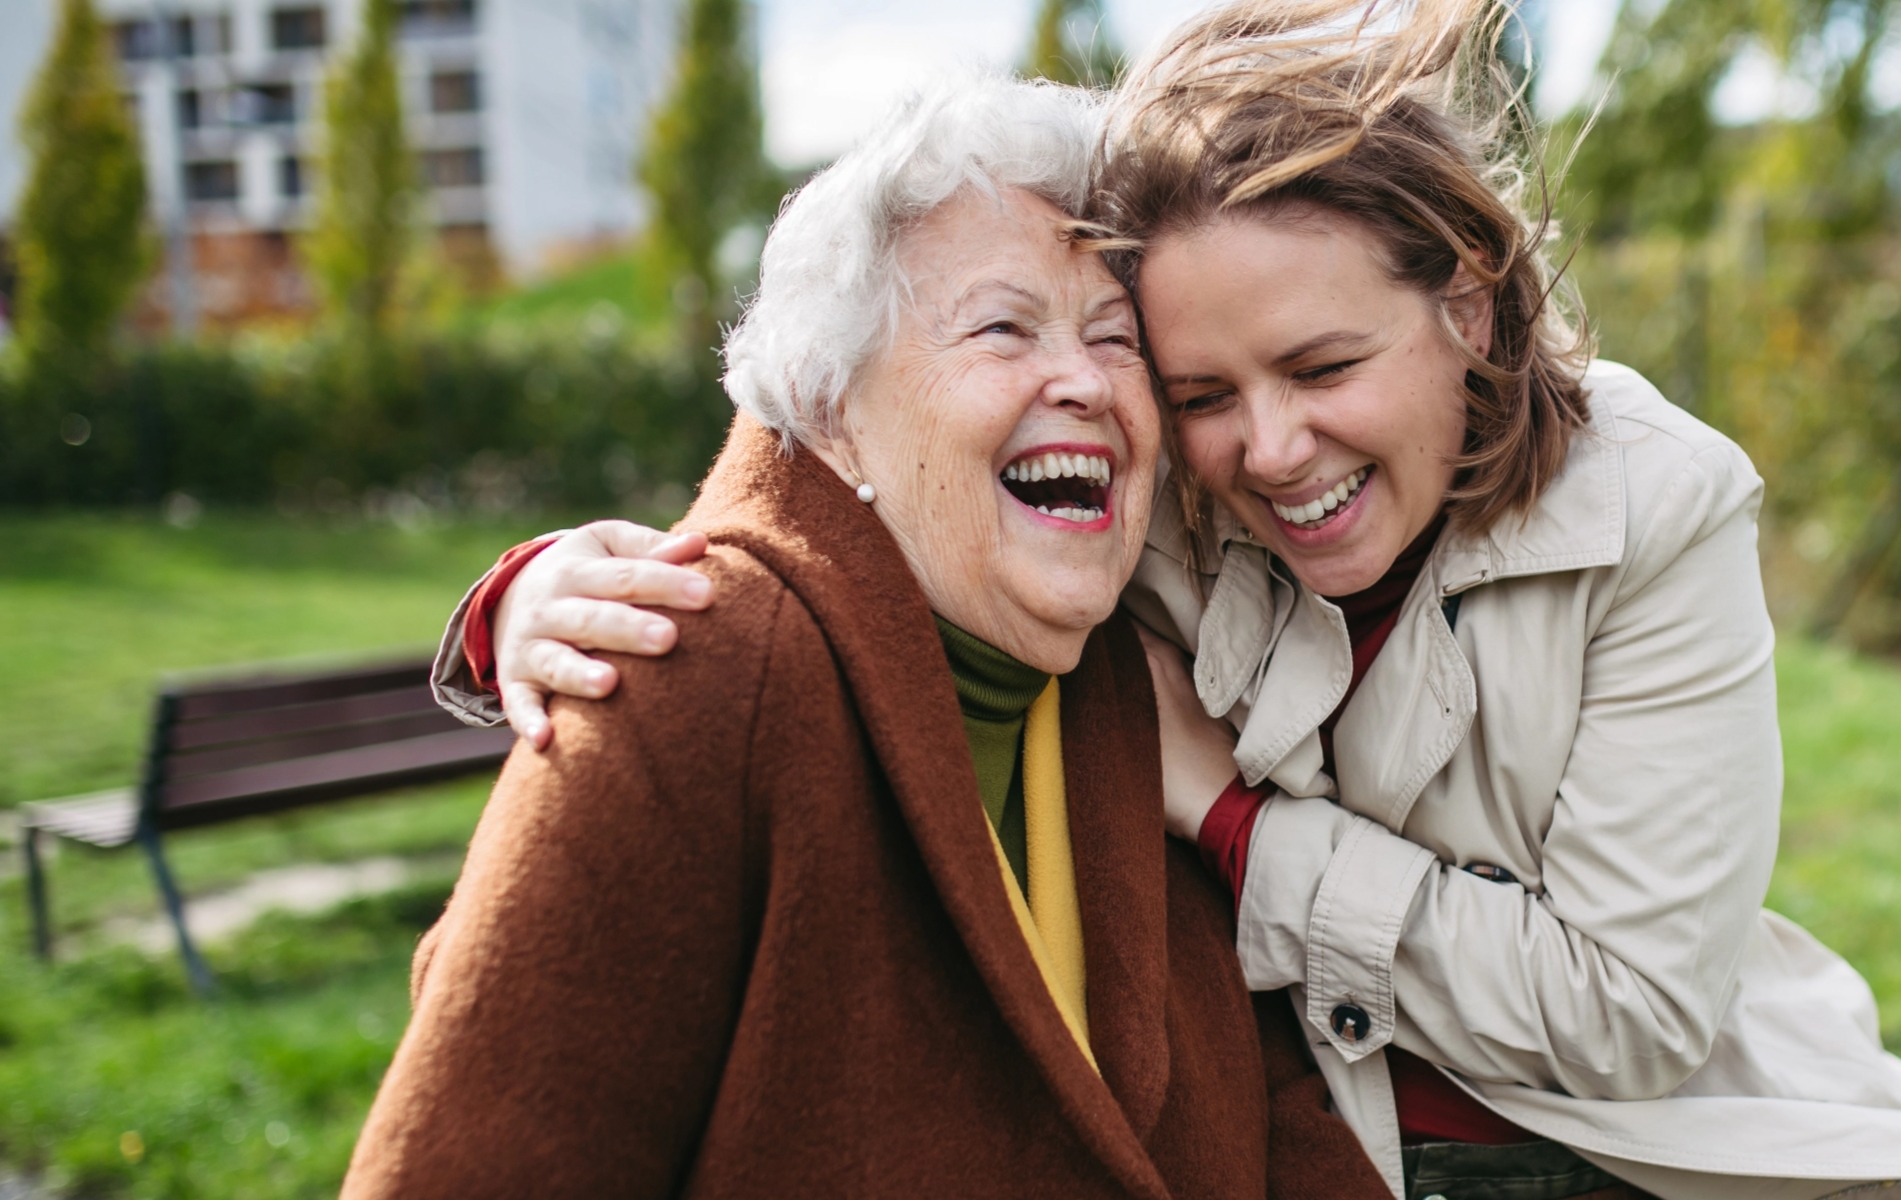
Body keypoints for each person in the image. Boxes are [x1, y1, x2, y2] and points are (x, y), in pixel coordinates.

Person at [428, 4, 1901, 1198]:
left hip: (1634, 1144)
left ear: (1470, 309)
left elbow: (1630, 1015)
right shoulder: (1152, 505)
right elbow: (862, 462)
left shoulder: (1662, 512)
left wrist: (1236, 825)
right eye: (1198, 385)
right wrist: (538, 596)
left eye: (1325, 365)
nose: (1265, 450)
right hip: (1328, 1147)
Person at [343, 74, 1387, 1200]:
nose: (1086, 381)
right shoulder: (694, 663)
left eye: (1113, 336)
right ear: (830, 406)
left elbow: (1277, 1124)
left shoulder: (1138, 678)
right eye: (1003, 327)